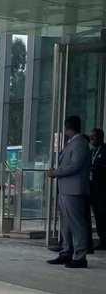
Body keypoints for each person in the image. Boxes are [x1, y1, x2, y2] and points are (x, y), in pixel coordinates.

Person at [46, 115, 91, 269]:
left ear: (68, 127)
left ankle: (80, 256)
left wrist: (56, 172)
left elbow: (75, 165)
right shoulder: (72, 143)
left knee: (77, 224)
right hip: (66, 188)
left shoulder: (80, 143)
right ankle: (66, 251)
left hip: (74, 189)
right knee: (66, 223)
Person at [89, 128, 106, 252]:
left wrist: (97, 167)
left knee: (102, 214)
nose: (92, 139)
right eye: (91, 136)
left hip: (103, 188)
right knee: (97, 215)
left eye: (94, 136)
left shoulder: (104, 150)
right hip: (93, 188)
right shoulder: (91, 150)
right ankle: (102, 240)